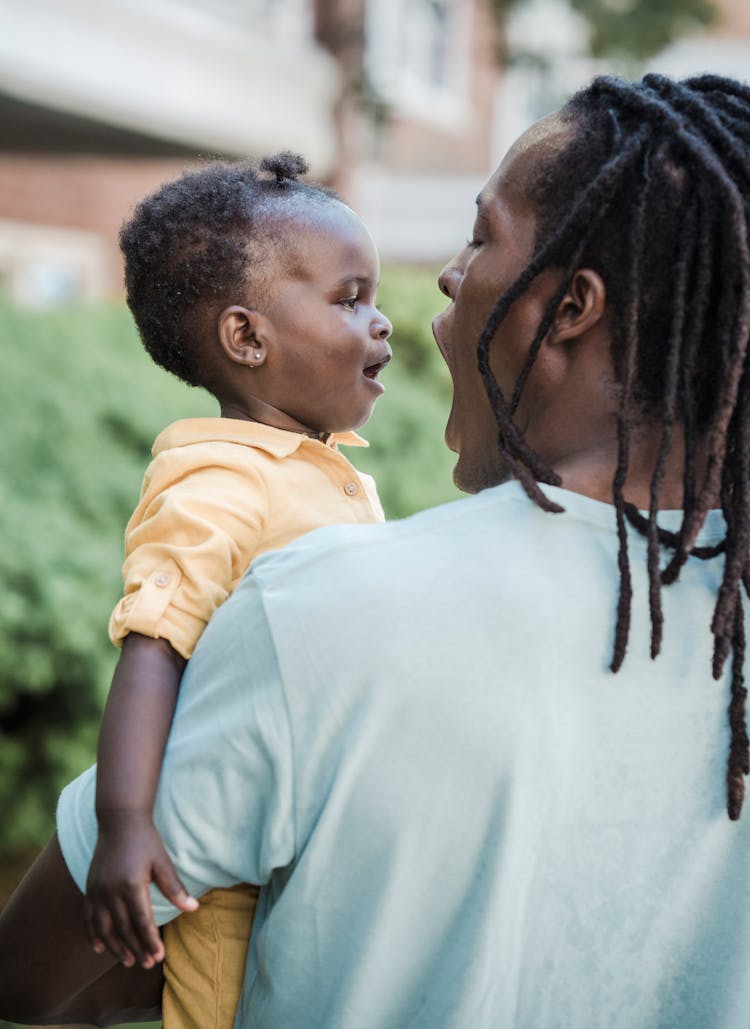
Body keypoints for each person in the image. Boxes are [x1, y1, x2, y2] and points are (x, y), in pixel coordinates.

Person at [2, 70, 750, 1028]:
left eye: (483, 236)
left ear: (570, 307)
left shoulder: (322, 612)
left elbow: (30, 974)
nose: (442, 275)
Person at [67, 152, 392, 1028]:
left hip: (306, 841)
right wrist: (125, 823)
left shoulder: (323, 469)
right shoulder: (220, 481)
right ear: (247, 337)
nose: (383, 322)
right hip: (220, 879)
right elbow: (153, 644)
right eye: (350, 298)